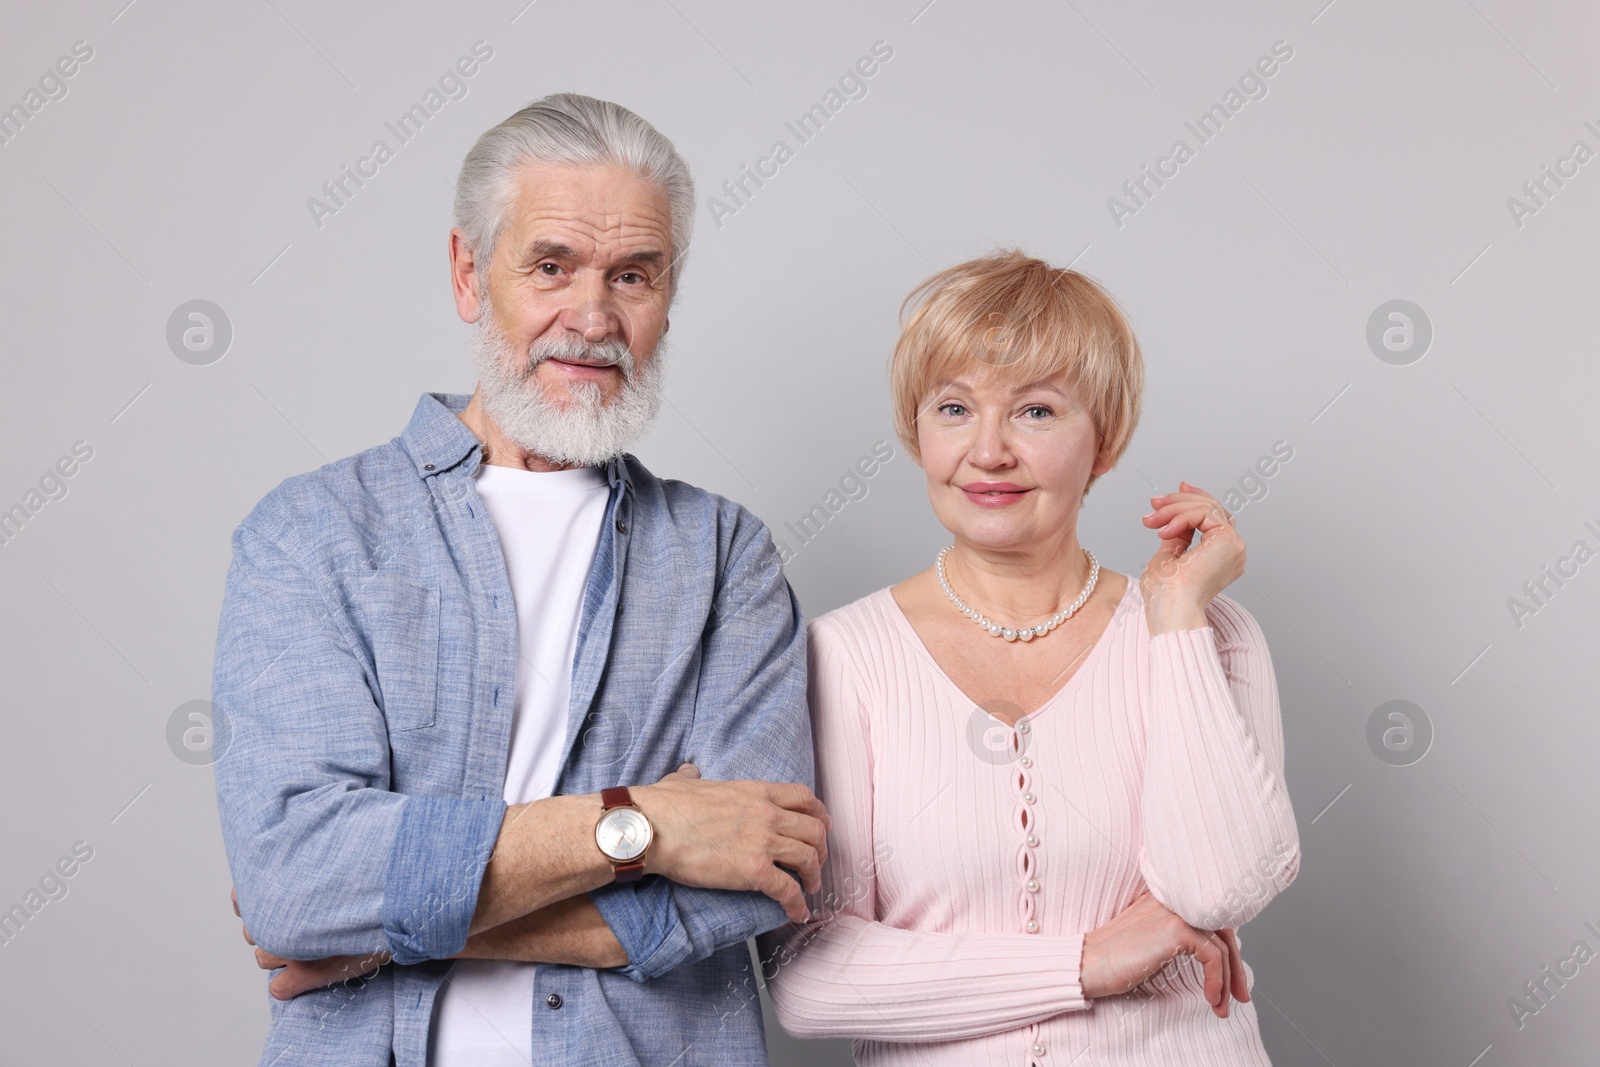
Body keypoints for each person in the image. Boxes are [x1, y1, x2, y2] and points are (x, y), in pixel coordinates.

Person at [211, 93, 829, 1067]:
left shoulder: (724, 555)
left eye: (634, 274)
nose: (592, 317)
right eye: (551, 266)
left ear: (668, 299)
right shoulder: (313, 533)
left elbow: (759, 875)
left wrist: (374, 931)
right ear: (469, 272)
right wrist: (644, 822)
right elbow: (296, 877)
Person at [759, 251, 1300, 1065]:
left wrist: (1178, 617)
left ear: (1105, 440)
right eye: (952, 408)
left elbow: (1218, 887)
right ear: (917, 433)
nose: (988, 451)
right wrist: (1087, 962)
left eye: (1036, 412)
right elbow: (811, 977)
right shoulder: (844, 656)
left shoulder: (1213, 637)